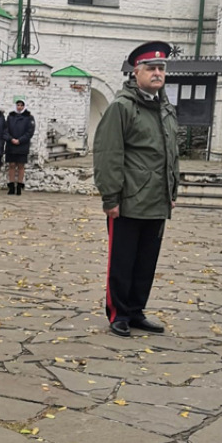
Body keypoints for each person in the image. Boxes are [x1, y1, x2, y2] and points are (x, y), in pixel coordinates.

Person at [93, 41, 179, 338]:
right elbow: (108, 154)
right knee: (122, 261)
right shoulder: (122, 107)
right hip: (128, 200)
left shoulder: (165, 108)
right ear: (136, 72)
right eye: (151, 68)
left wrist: (172, 191)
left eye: (161, 68)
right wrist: (110, 197)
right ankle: (118, 313)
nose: (157, 73)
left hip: (156, 200)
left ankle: (137, 310)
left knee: (145, 262)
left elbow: (171, 153)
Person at [5, 99, 35, 195]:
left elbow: (30, 132)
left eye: (21, 105)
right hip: (11, 144)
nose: (19, 107)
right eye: (18, 105)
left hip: (22, 145)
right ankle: (11, 186)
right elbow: (5, 130)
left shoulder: (29, 117)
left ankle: (19, 186)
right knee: (12, 165)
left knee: (21, 166)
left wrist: (20, 140)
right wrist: (11, 139)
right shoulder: (10, 116)